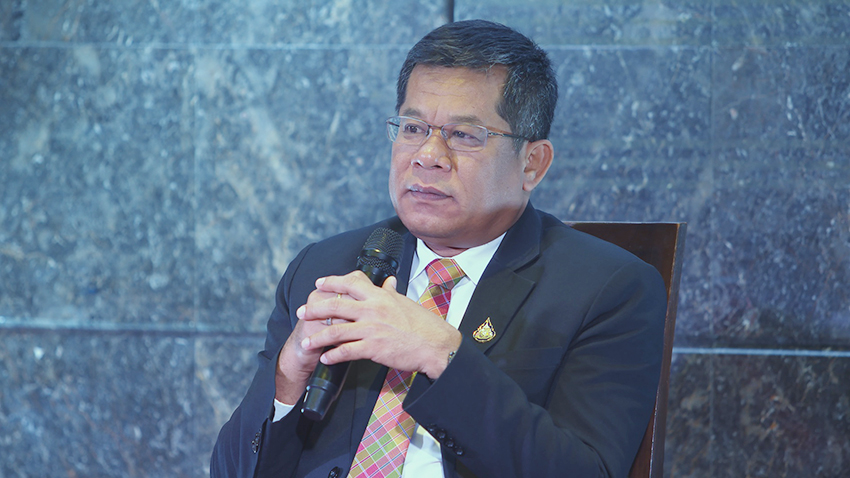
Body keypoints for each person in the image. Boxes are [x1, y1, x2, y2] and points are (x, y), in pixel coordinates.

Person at [211, 19, 666, 478]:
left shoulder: (607, 290)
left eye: (463, 135)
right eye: (413, 127)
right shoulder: (329, 266)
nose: (427, 155)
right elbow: (231, 471)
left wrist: (442, 356)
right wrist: (288, 378)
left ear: (532, 163)